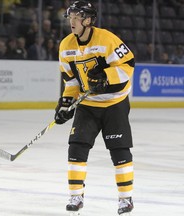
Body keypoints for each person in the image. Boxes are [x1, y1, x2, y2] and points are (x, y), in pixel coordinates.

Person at [54, 1, 135, 215]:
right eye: (70, 18)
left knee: (119, 150)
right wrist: (66, 103)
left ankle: (125, 199)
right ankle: (75, 196)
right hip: (87, 104)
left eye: (76, 18)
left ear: (88, 20)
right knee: (76, 147)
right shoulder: (66, 46)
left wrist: (106, 78)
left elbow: (128, 65)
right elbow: (71, 81)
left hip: (114, 103)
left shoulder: (106, 39)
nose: (72, 22)